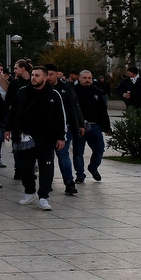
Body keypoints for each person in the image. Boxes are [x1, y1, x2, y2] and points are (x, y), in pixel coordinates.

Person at [5, 67, 66, 211]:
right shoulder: (22, 92)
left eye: (37, 75)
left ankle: (43, 197)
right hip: (25, 138)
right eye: (33, 75)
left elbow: (60, 117)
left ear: (45, 78)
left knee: (46, 168)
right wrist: (8, 128)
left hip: (46, 138)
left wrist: (61, 137)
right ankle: (29, 192)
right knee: (25, 168)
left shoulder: (53, 95)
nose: (34, 78)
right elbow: (13, 112)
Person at [45, 63, 85, 195]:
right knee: (46, 157)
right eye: (47, 75)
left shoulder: (66, 88)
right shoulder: (40, 88)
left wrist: (80, 124)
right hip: (45, 128)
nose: (49, 78)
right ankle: (46, 183)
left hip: (64, 128)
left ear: (57, 74)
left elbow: (75, 106)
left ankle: (69, 182)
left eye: (51, 74)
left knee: (63, 155)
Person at [73, 70, 110, 182]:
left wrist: (107, 127)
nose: (87, 80)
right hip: (80, 126)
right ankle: (80, 174)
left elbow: (103, 111)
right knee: (78, 152)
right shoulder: (74, 92)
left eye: (89, 78)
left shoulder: (97, 92)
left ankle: (93, 167)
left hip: (95, 126)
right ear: (79, 78)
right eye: (84, 78)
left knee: (99, 149)